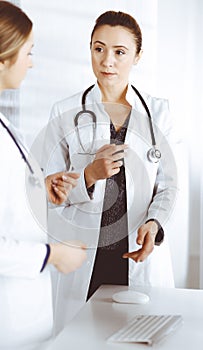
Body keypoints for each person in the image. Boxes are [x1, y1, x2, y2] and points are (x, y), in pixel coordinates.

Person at [41, 10, 178, 315]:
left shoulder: (158, 113)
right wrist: (88, 175)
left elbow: (168, 186)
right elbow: (48, 193)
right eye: (98, 48)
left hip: (138, 250)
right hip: (87, 256)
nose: (107, 61)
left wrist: (155, 224)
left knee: (141, 336)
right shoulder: (64, 113)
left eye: (119, 52)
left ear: (137, 56)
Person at [0, 1, 86, 349]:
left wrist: (39, 188)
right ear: (3, 57)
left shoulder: (5, 123)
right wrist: (53, 255)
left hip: (25, 318)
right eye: (28, 53)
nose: (31, 63)